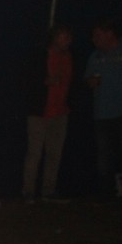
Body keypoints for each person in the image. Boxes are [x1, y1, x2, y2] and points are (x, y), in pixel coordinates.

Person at [83, 19, 122, 198]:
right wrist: (91, 81)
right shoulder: (96, 56)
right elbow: (87, 79)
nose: (94, 39)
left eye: (97, 35)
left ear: (110, 33)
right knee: (104, 155)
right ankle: (105, 193)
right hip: (102, 114)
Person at [21, 24, 74, 202]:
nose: (68, 41)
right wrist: (44, 81)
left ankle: (48, 190)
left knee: (54, 154)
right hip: (39, 113)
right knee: (34, 153)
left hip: (60, 112)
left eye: (69, 37)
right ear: (55, 38)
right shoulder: (40, 56)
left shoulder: (69, 57)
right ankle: (28, 191)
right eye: (64, 37)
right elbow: (26, 80)